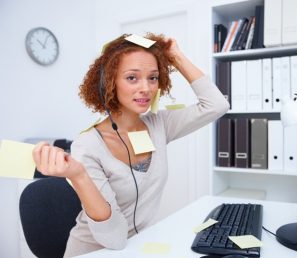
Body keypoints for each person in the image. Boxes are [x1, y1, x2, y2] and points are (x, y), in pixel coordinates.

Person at [32, 33, 229, 257]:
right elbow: (114, 238)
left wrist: (176, 57)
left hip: (138, 247)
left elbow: (217, 105)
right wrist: (79, 176)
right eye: (132, 78)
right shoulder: (87, 147)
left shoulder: (159, 125)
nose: (146, 88)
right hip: (94, 252)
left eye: (153, 78)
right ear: (109, 81)